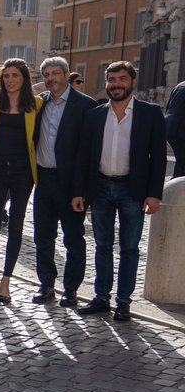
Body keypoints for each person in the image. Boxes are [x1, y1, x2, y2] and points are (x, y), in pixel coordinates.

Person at [74, 61, 167, 322]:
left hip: (133, 190)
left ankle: (124, 302)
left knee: (129, 247)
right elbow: (83, 156)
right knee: (102, 245)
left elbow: (158, 157)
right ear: (107, 83)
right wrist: (80, 192)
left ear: (132, 82)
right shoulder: (94, 115)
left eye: (122, 79)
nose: (116, 84)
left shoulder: (150, 113)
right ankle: (102, 297)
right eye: (112, 80)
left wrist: (154, 194)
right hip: (100, 187)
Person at [32, 56, 98, 306]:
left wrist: (83, 191)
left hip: (71, 185)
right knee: (43, 237)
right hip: (44, 181)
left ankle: (71, 289)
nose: (50, 79)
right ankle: (46, 285)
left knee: (73, 238)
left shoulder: (86, 106)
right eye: (46, 75)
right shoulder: (39, 105)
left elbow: (90, 153)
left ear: (66, 74)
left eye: (55, 73)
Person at [0, 59, 43, 304]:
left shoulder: (36, 104)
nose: (10, 80)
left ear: (24, 78)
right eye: (6, 75)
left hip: (23, 173)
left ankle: (7, 280)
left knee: (16, 225)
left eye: (15, 75)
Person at [164, 81, 185, 179]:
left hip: (171, 128)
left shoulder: (180, 86)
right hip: (181, 131)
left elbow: (168, 108)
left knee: (181, 164)